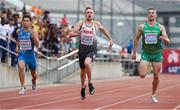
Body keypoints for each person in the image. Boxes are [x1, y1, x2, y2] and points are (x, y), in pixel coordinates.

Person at [69, 7, 113, 100]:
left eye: (91, 12)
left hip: (92, 49)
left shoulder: (96, 24)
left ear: (93, 14)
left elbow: (103, 30)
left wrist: (110, 39)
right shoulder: (81, 23)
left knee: (87, 63)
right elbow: (71, 34)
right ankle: (82, 87)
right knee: (82, 72)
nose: (89, 14)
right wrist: (78, 34)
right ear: (85, 14)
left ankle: (90, 83)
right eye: (87, 12)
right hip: (82, 50)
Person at [131, 8, 170, 103]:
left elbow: (168, 42)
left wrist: (164, 38)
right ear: (147, 15)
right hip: (146, 53)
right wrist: (134, 52)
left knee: (156, 76)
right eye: (149, 13)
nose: (151, 14)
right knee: (142, 75)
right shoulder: (142, 27)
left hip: (157, 54)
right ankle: (146, 64)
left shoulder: (160, 27)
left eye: (153, 13)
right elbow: (136, 39)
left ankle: (153, 94)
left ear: (156, 15)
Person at [16, 14, 39, 95]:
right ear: (22, 22)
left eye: (27, 21)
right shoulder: (19, 31)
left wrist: (33, 38)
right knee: (21, 66)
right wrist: (17, 46)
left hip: (31, 55)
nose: (25, 22)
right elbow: (19, 40)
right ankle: (22, 87)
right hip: (22, 54)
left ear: (30, 23)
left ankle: (33, 81)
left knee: (34, 74)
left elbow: (37, 45)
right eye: (24, 21)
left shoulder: (33, 32)